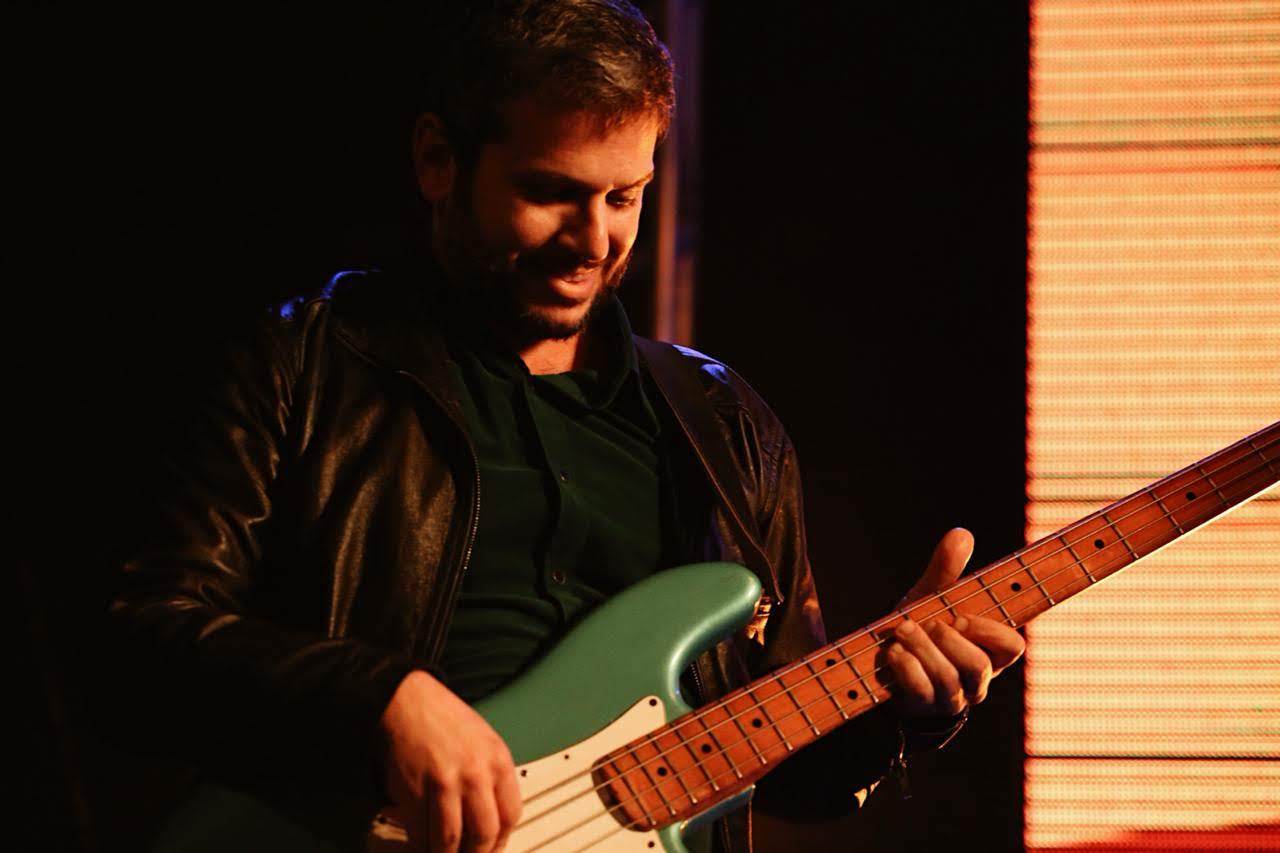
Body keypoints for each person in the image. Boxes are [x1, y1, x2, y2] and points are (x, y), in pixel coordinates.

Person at [107, 2, 1026, 851]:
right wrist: (379, 698)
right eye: (552, 192)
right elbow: (144, 638)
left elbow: (784, 769)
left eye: (624, 197)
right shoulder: (303, 362)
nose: (593, 241)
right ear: (437, 160)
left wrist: (898, 705)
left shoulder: (723, 422)